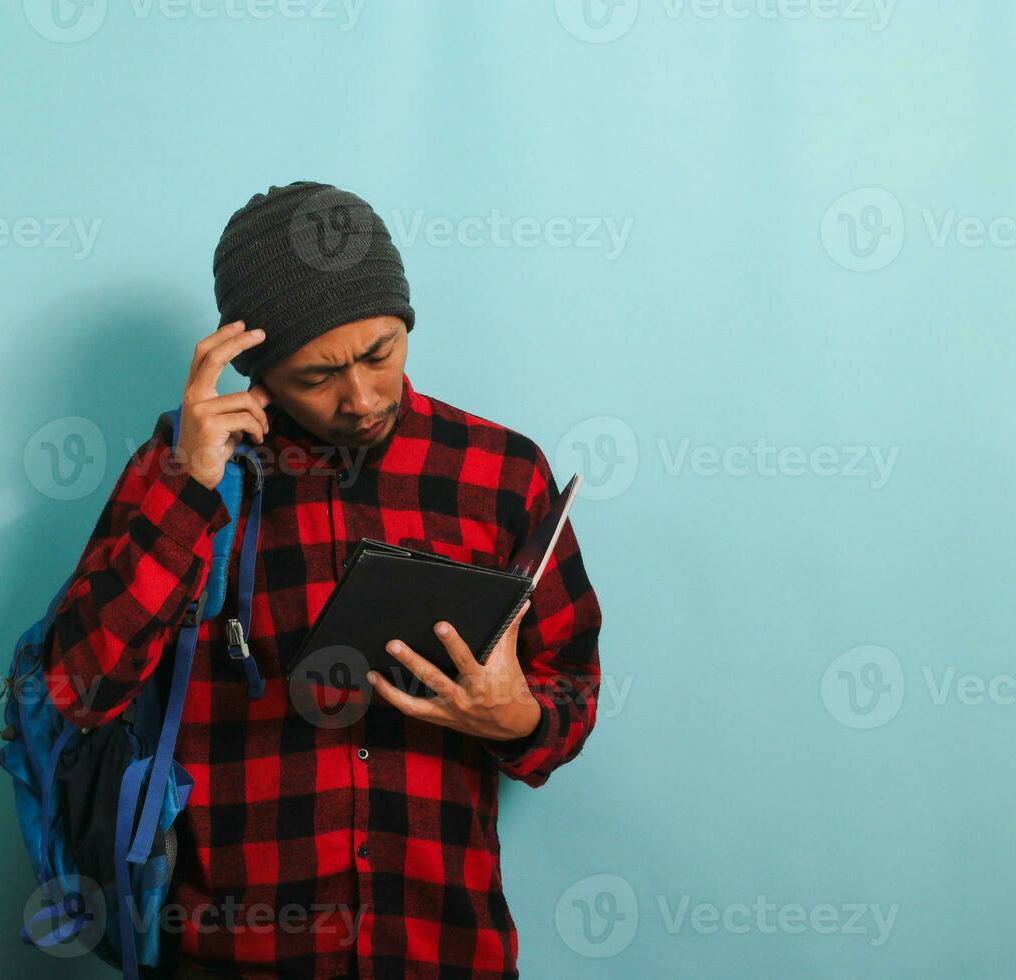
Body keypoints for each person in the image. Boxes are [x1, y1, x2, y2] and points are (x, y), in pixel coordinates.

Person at [44, 181, 605, 979]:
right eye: (317, 375)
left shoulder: (501, 472)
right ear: (255, 367)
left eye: (381, 352)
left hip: (443, 946)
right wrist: (189, 490)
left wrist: (516, 718)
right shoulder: (180, 470)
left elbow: (573, 686)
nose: (363, 397)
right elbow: (78, 689)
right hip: (236, 954)